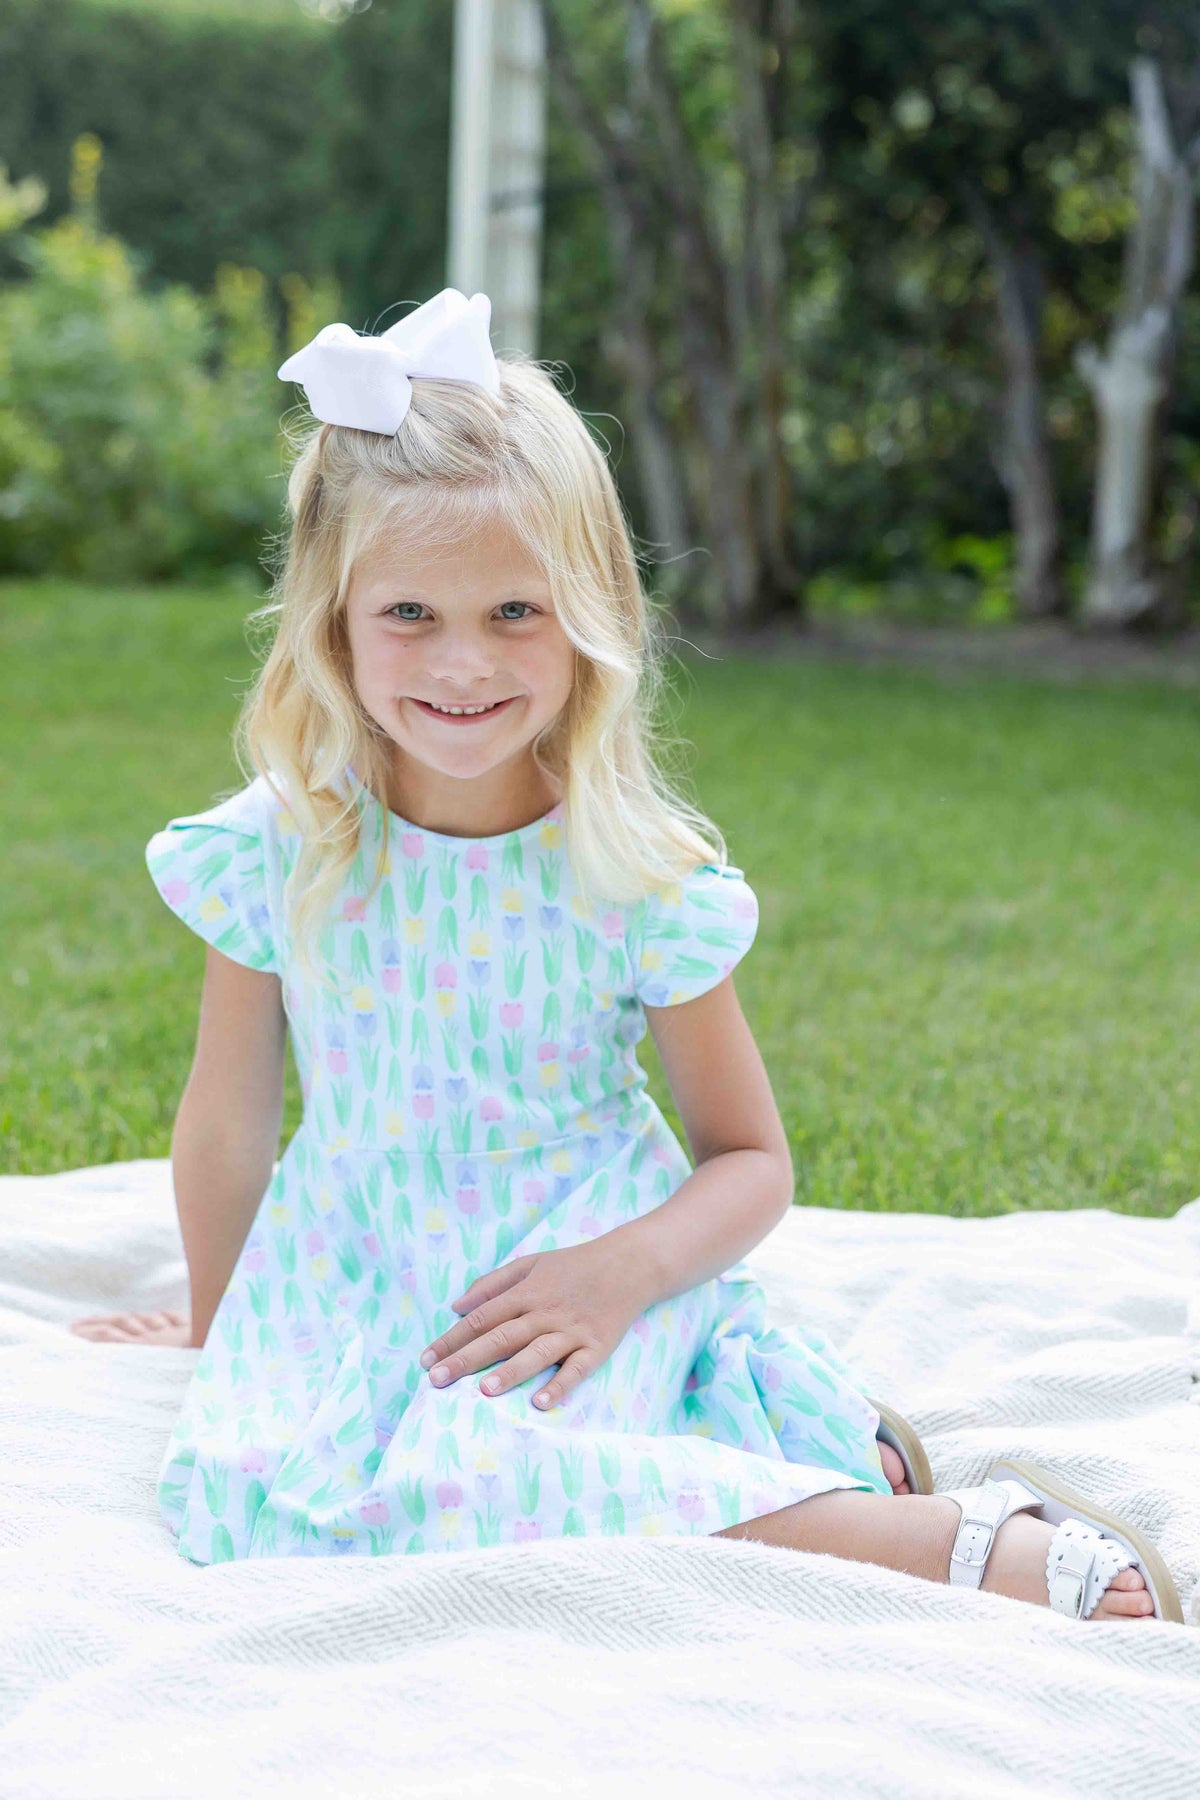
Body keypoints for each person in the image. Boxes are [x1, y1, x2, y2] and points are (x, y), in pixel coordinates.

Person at [71, 290, 1175, 1623]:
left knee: (486, 1473)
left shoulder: (631, 871)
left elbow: (749, 1159)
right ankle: (788, 1444)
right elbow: (229, 1117)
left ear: (590, 612)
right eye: (409, 611)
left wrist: (624, 1277)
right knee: (272, 1503)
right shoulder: (281, 845)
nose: (464, 664)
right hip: (359, 1268)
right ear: (333, 620)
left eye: (515, 611)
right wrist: (224, 1322)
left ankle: (941, 1543)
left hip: (590, 1255)